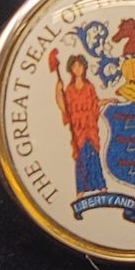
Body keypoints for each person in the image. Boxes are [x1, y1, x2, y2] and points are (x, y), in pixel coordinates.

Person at [55, 54, 107, 194]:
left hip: (90, 128)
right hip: (79, 131)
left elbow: (94, 104)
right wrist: (58, 91)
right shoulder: (70, 90)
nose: (77, 69)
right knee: (81, 159)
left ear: (84, 68)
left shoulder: (89, 87)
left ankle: (101, 187)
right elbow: (64, 107)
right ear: (71, 69)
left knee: (93, 157)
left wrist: (107, 101)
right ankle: (81, 190)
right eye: (74, 66)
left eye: (80, 66)